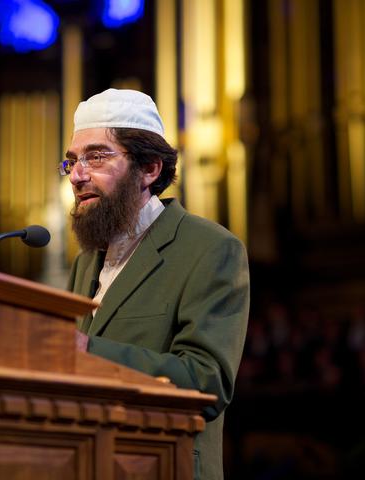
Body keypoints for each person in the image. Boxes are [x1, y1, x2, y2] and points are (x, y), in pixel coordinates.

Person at [63, 88, 249, 480]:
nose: (78, 175)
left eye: (96, 157)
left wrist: (87, 351)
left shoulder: (210, 249)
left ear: (149, 168)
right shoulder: (85, 262)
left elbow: (207, 382)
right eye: (73, 161)